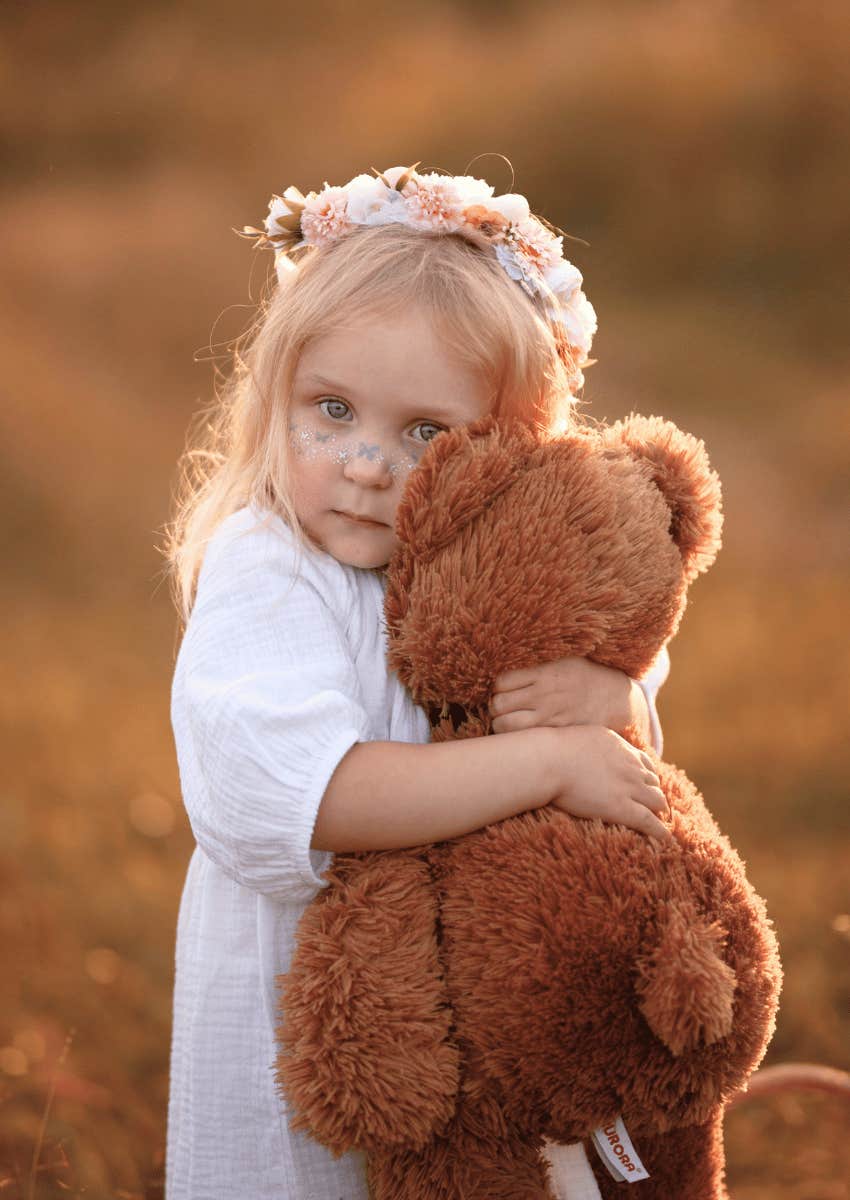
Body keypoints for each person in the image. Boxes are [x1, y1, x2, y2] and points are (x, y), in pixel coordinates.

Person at [162, 163, 672, 1200]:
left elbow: (627, 674)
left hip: (481, 1004)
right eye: (332, 410)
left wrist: (612, 701)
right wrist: (545, 761)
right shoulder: (270, 567)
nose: (364, 463)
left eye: (425, 433)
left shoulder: (485, 556)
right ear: (275, 393)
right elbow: (311, 796)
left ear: (512, 446)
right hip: (312, 1026)